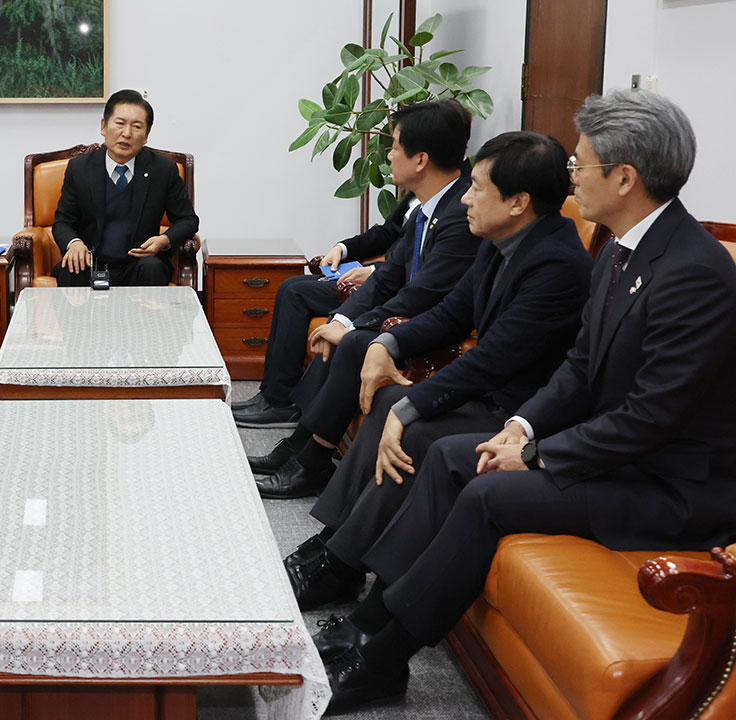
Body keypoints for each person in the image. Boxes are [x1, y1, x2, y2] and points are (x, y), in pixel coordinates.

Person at [318, 90, 736, 715]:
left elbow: (651, 417)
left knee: (489, 491)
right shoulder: (626, 249)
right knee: (458, 456)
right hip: (621, 454)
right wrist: (521, 425)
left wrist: (539, 454)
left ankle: (383, 659)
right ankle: (372, 619)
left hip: (673, 485)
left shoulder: (693, 271)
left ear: (624, 178)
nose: (570, 176)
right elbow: (581, 367)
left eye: (580, 164)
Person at [283, 131, 592, 612]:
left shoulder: (557, 264)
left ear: (518, 203)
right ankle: (333, 546)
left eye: (477, 188)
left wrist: (411, 409)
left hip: (521, 412)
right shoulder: (501, 239)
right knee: (387, 399)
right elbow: (452, 312)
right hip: (494, 394)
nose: (464, 197)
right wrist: (389, 341)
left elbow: (493, 360)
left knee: (412, 426)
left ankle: (339, 565)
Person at [245, 100, 481, 500]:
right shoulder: (425, 206)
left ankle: (313, 461)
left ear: (420, 159)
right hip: (410, 312)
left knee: (355, 341)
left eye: (394, 145)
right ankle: (302, 445)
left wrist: (353, 328)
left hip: (436, 324)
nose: (388, 154)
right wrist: (342, 320)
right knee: (345, 333)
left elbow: (422, 294)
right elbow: (389, 276)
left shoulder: (460, 214)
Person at [229, 194, 413, 425]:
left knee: (297, 294)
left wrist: (375, 270)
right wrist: (342, 248)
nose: (392, 156)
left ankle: (280, 404)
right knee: (290, 287)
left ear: (421, 160)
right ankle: (271, 395)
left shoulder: (451, 206)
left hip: (391, 290)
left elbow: (418, 266)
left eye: (397, 154)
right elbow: (385, 234)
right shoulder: (416, 197)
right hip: (379, 279)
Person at [51, 89, 200, 287]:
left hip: (140, 263)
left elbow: (188, 220)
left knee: (153, 269)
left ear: (146, 136)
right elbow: (62, 222)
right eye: (119, 124)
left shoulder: (163, 170)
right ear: (104, 126)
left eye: (137, 127)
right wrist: (74, 243)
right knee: (71, 268)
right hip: (91, 261)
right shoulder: (80, 168)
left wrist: (164, 240)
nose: (126, 133)